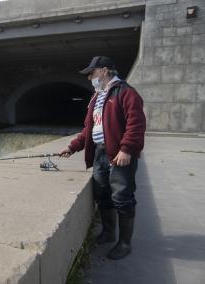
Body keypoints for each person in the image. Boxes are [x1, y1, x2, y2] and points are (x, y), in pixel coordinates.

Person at [59, 56, 146, 260]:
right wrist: (72, 147)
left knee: (122, 198)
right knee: (103, 195)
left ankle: (125, 244)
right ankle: (108, 233)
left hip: (118, 154)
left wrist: (126, 149)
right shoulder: (97, 98)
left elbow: (136, 124)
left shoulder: (126, 93)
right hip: (99, 153)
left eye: (92, 73)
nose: (90, 77)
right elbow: (89, 130)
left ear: (104, 71)